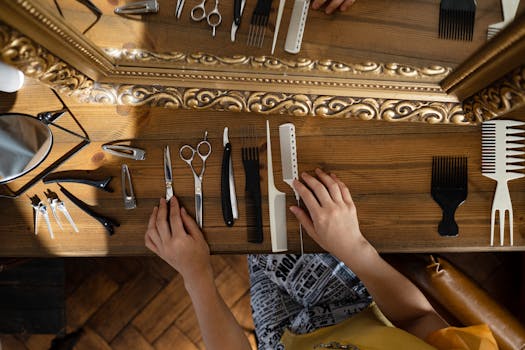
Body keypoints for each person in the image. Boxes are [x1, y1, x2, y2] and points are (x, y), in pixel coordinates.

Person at [145, 168, 497, 349]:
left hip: (280, 340)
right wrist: (351, 245)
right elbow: (418, 317)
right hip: (350, 303)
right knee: (283, 198)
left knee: (260, 226)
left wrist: (196, 275)